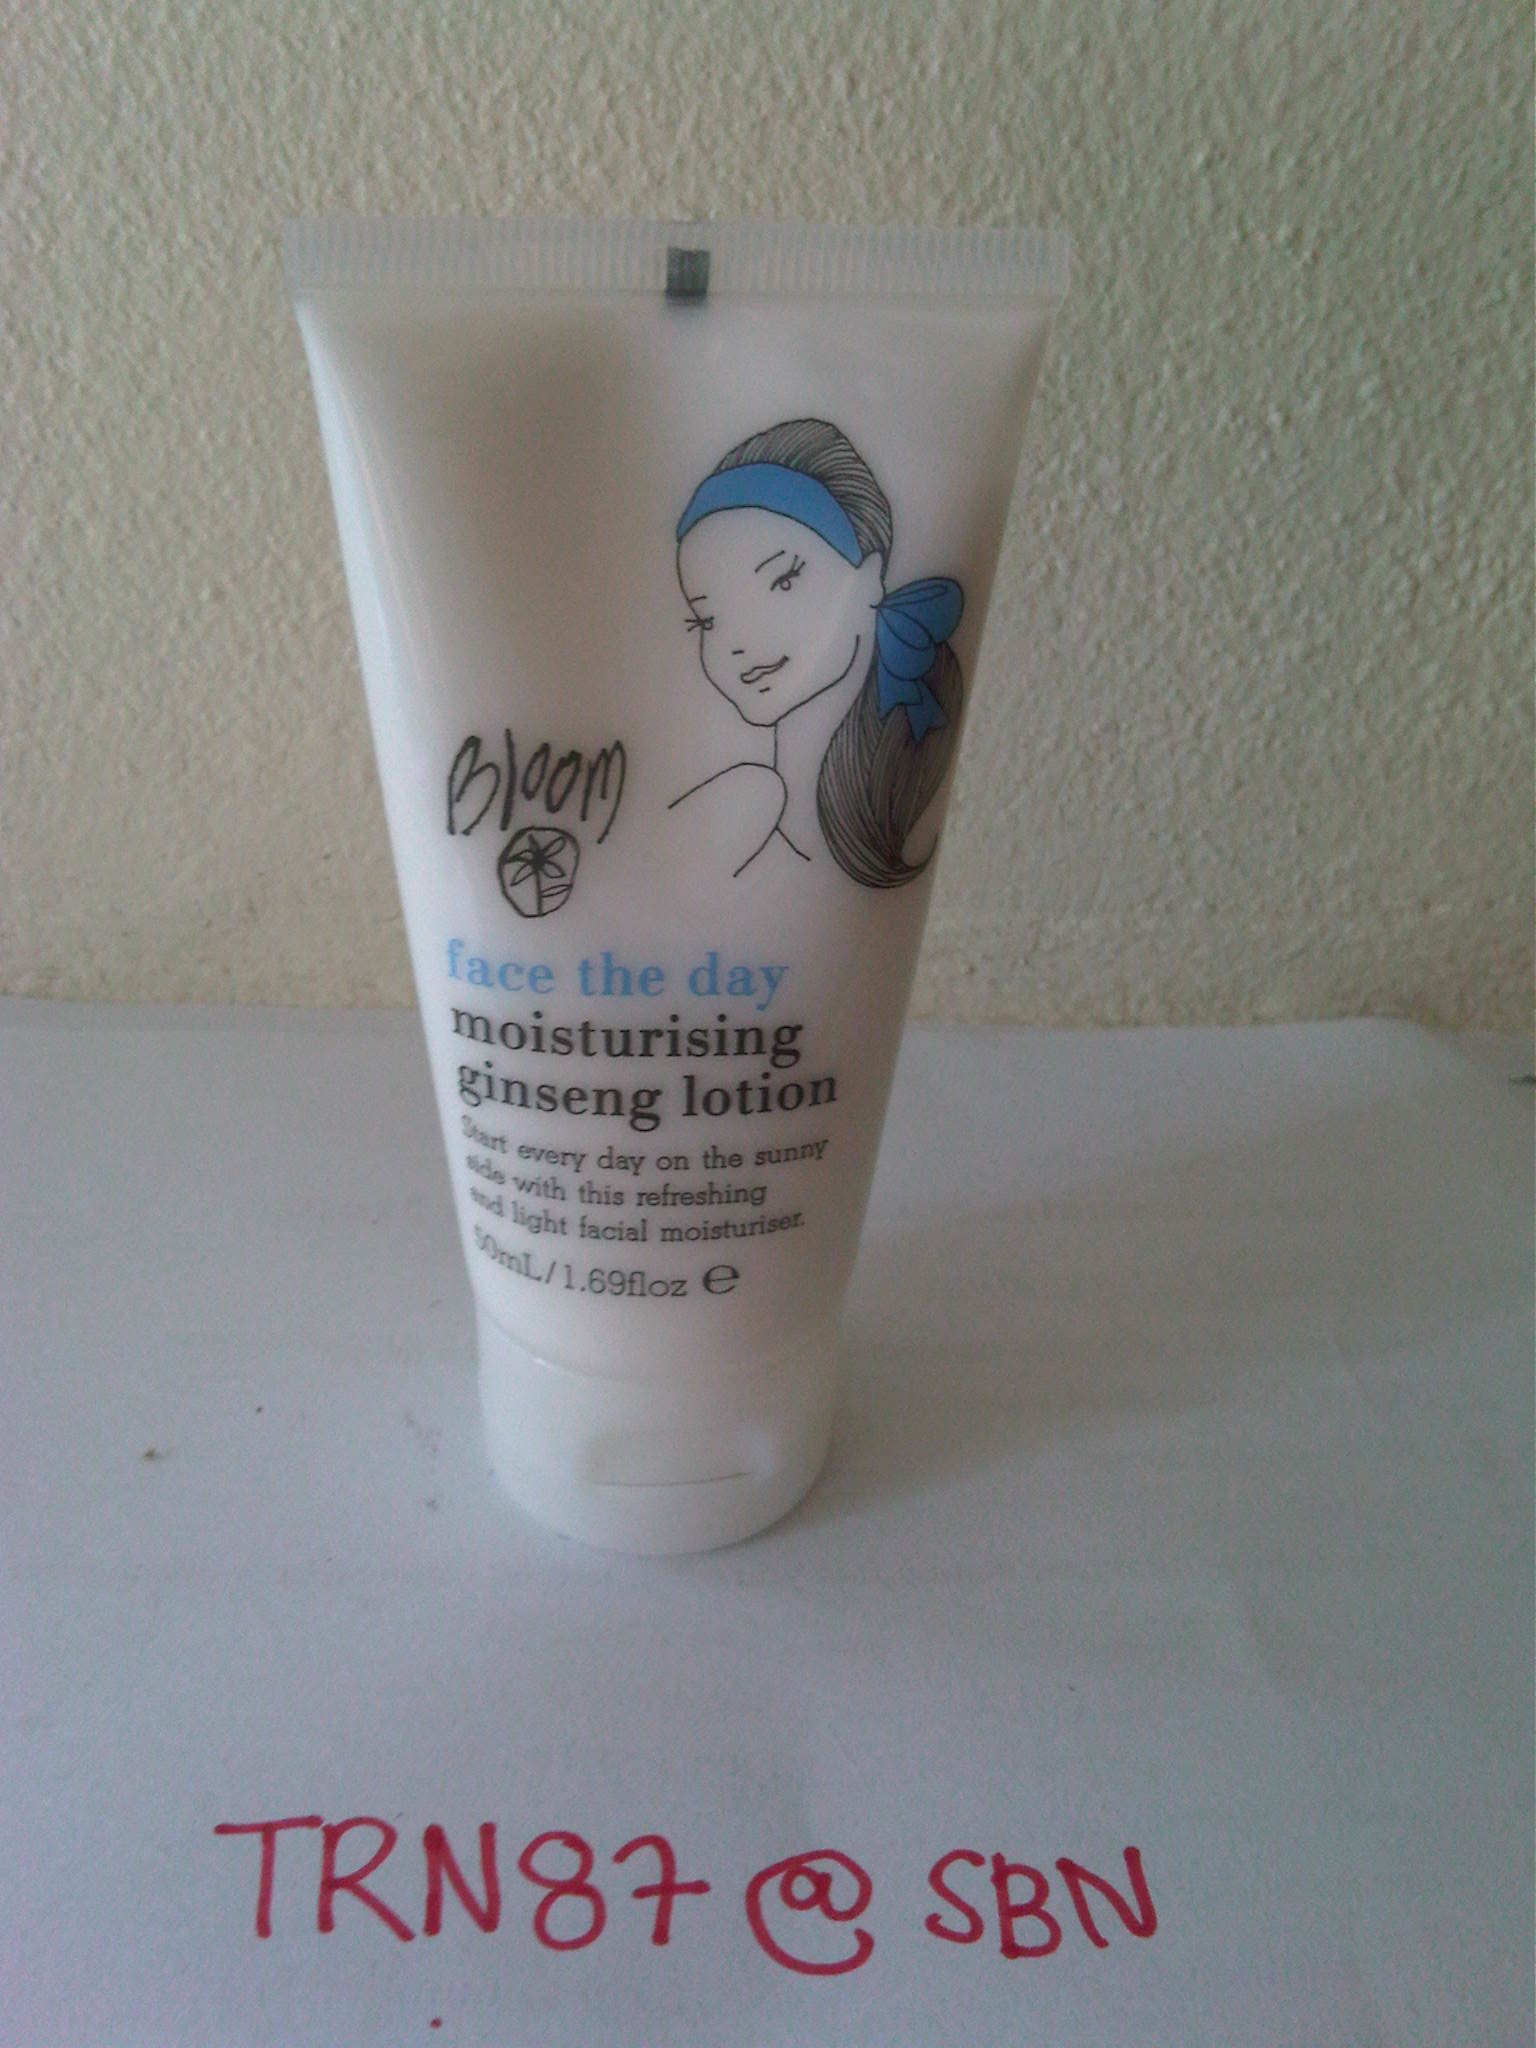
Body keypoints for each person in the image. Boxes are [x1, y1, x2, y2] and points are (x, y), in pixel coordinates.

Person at [672, 417, 965, 887]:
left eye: (783, 582)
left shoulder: (760, 801)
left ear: (869, 576)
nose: (737, 641)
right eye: (707, 620)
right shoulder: (745, 805)